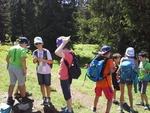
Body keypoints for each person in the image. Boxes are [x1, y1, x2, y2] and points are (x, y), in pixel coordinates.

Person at [6, 37, 34, 106]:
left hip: (11, 67)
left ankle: (9, 98)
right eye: (26, 45)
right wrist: (24, 69)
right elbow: (22, 60)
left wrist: (8, 64)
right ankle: (24, 98)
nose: (26, 46)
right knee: (21, 84)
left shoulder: (12, 48)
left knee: (12, 83)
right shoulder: (22, 49)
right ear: (24, 43)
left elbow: (7, 58)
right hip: (18, 68)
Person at [91, 45, 116, 113]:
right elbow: (111, 70)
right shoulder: (110, 60)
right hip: (106, 83)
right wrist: (114, 68)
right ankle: (107, 112)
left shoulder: (98, 59)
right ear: (109, 53)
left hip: (98, 82)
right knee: (110, 99)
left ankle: (94, 107)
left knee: (97, 95)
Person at [116, 47, 139, 112]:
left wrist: (117, 73)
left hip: (122, 77)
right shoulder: (135, 61)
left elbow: (119, 68)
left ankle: (120, 107)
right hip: (129, 78)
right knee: (130, 93)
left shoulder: (123, 59)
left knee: (122, 93)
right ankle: (131, 108)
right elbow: (137, 71)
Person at [55, 36, 73, 113]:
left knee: (67, 95)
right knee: (66, 93)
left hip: (65, 78)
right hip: (65, 78)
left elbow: (56, 52)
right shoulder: (67, 53)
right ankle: (68, 106)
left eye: (58, 46)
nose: (57, 47)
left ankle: (69, 110)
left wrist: (63, 43)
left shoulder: (68, 55)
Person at [32, 36, 53, 105]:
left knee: (47, 85)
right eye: (36, 43)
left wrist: (43, 60)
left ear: (42, 43)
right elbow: (34, 62)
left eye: (39, 43)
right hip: (39, 71)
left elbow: (50, 62)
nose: (38, 45)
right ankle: (44, 97)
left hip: (46, 71)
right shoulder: (35, 52)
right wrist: (35, 60)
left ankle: (48, 98)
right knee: (41, 85)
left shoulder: (46, 51)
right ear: (35, 45)